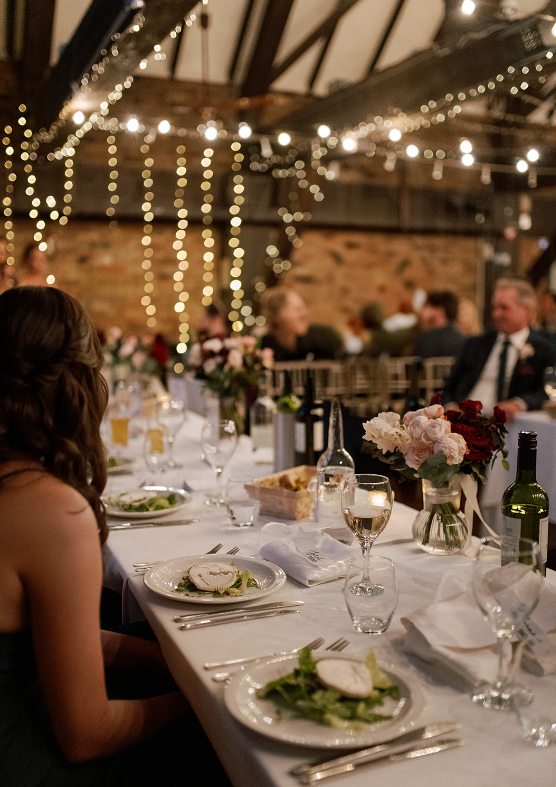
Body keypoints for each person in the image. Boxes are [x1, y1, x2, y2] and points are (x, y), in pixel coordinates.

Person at [0, 287, 231, 786]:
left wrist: (163, 659)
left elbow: (54, 637)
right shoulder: (52, 511)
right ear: (79, 382)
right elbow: (87, 736)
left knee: (148, 634)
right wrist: (205, 700)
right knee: (221, 752)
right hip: (21, 755)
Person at [442, 278, 556, 421]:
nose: (496, 314)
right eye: (494, 308)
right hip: (463, 420)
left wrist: (519, 404)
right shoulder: (475, 344)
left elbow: (548, 391)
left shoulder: (542, 350)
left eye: (504, 308)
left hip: (507, 425)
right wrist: (451, 407)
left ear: (526, 310)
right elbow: (447, 388)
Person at [260, 288, 345, 361]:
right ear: (276, 314)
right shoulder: (263, 346)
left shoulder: (326, 337)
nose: (304, 314)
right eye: (298, 309)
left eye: (303, 308)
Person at [413, 291, 466, 359]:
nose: (423, 314)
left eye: (428, 307)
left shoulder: (427, 339)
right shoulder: (464, 341)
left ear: (440, 311)